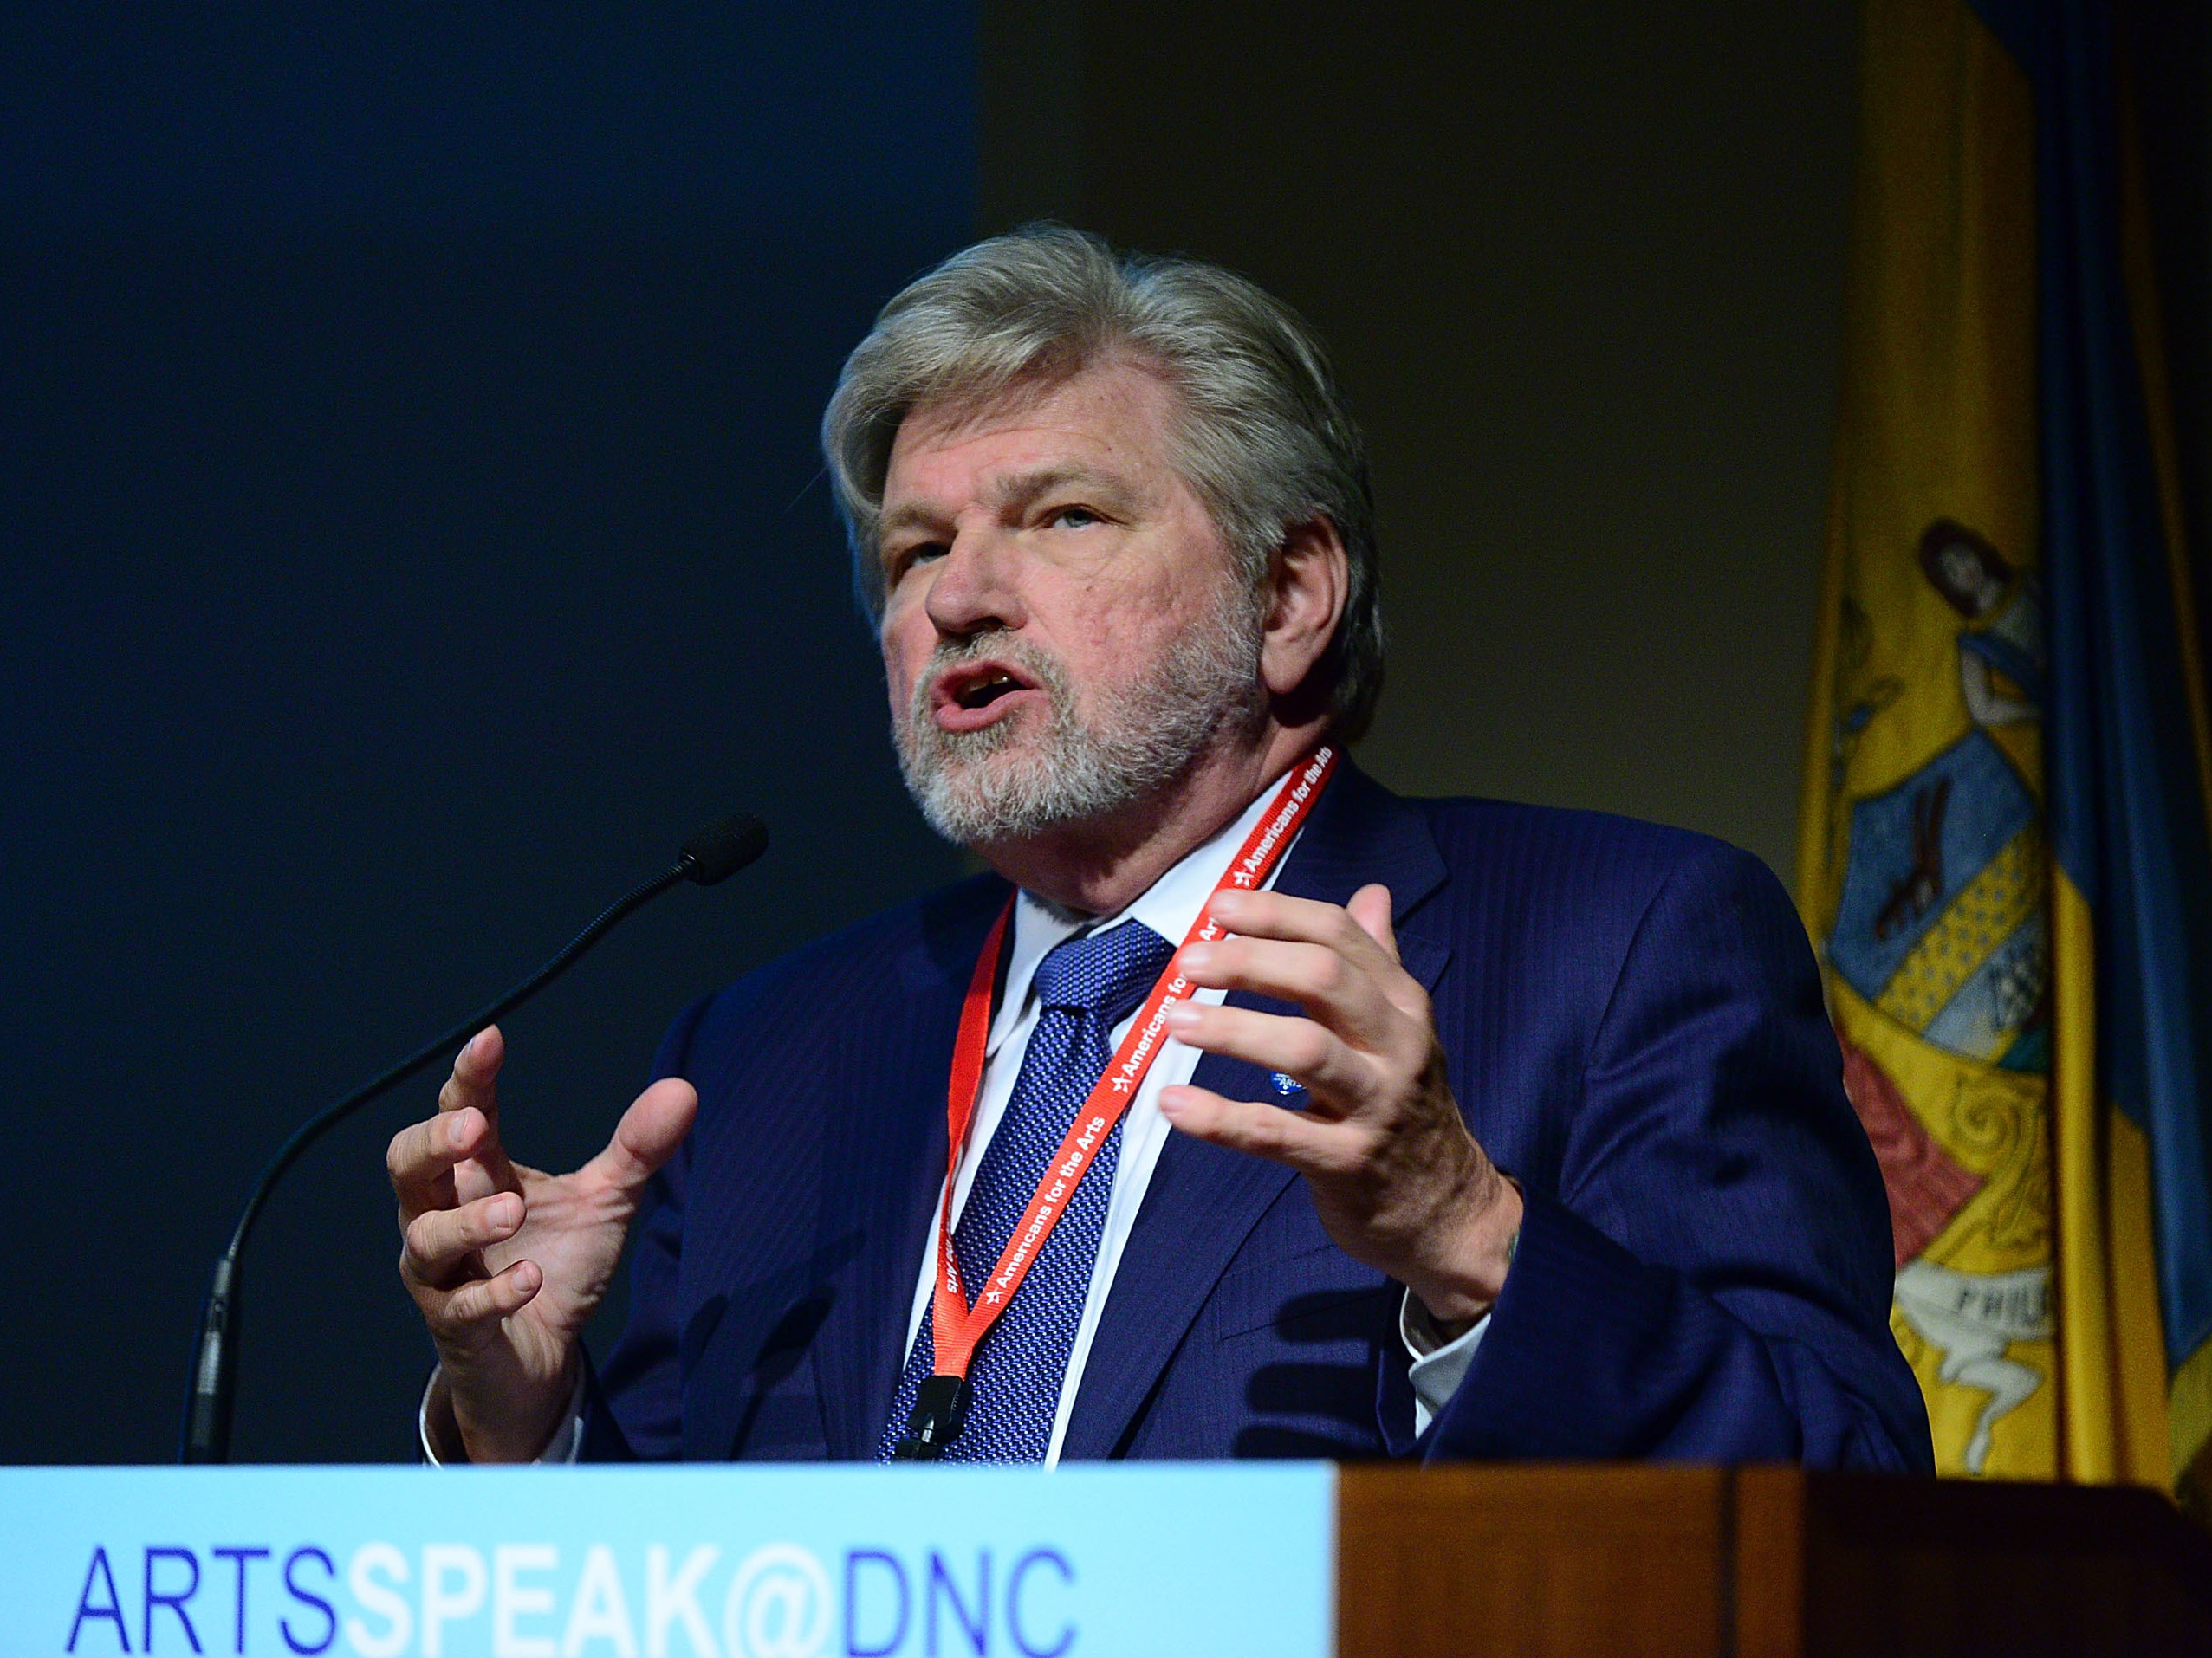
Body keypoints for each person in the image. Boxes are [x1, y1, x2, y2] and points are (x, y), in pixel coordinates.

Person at [387, 227, 1934, 1469]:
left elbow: (1842, 1493)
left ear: (1286, 599)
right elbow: (685, 1588)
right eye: (915, 547)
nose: (957, 597)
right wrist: (530, 1426)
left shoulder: (1619, 942)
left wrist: (1472, 1237)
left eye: (1059, 517)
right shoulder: (771, 1048)